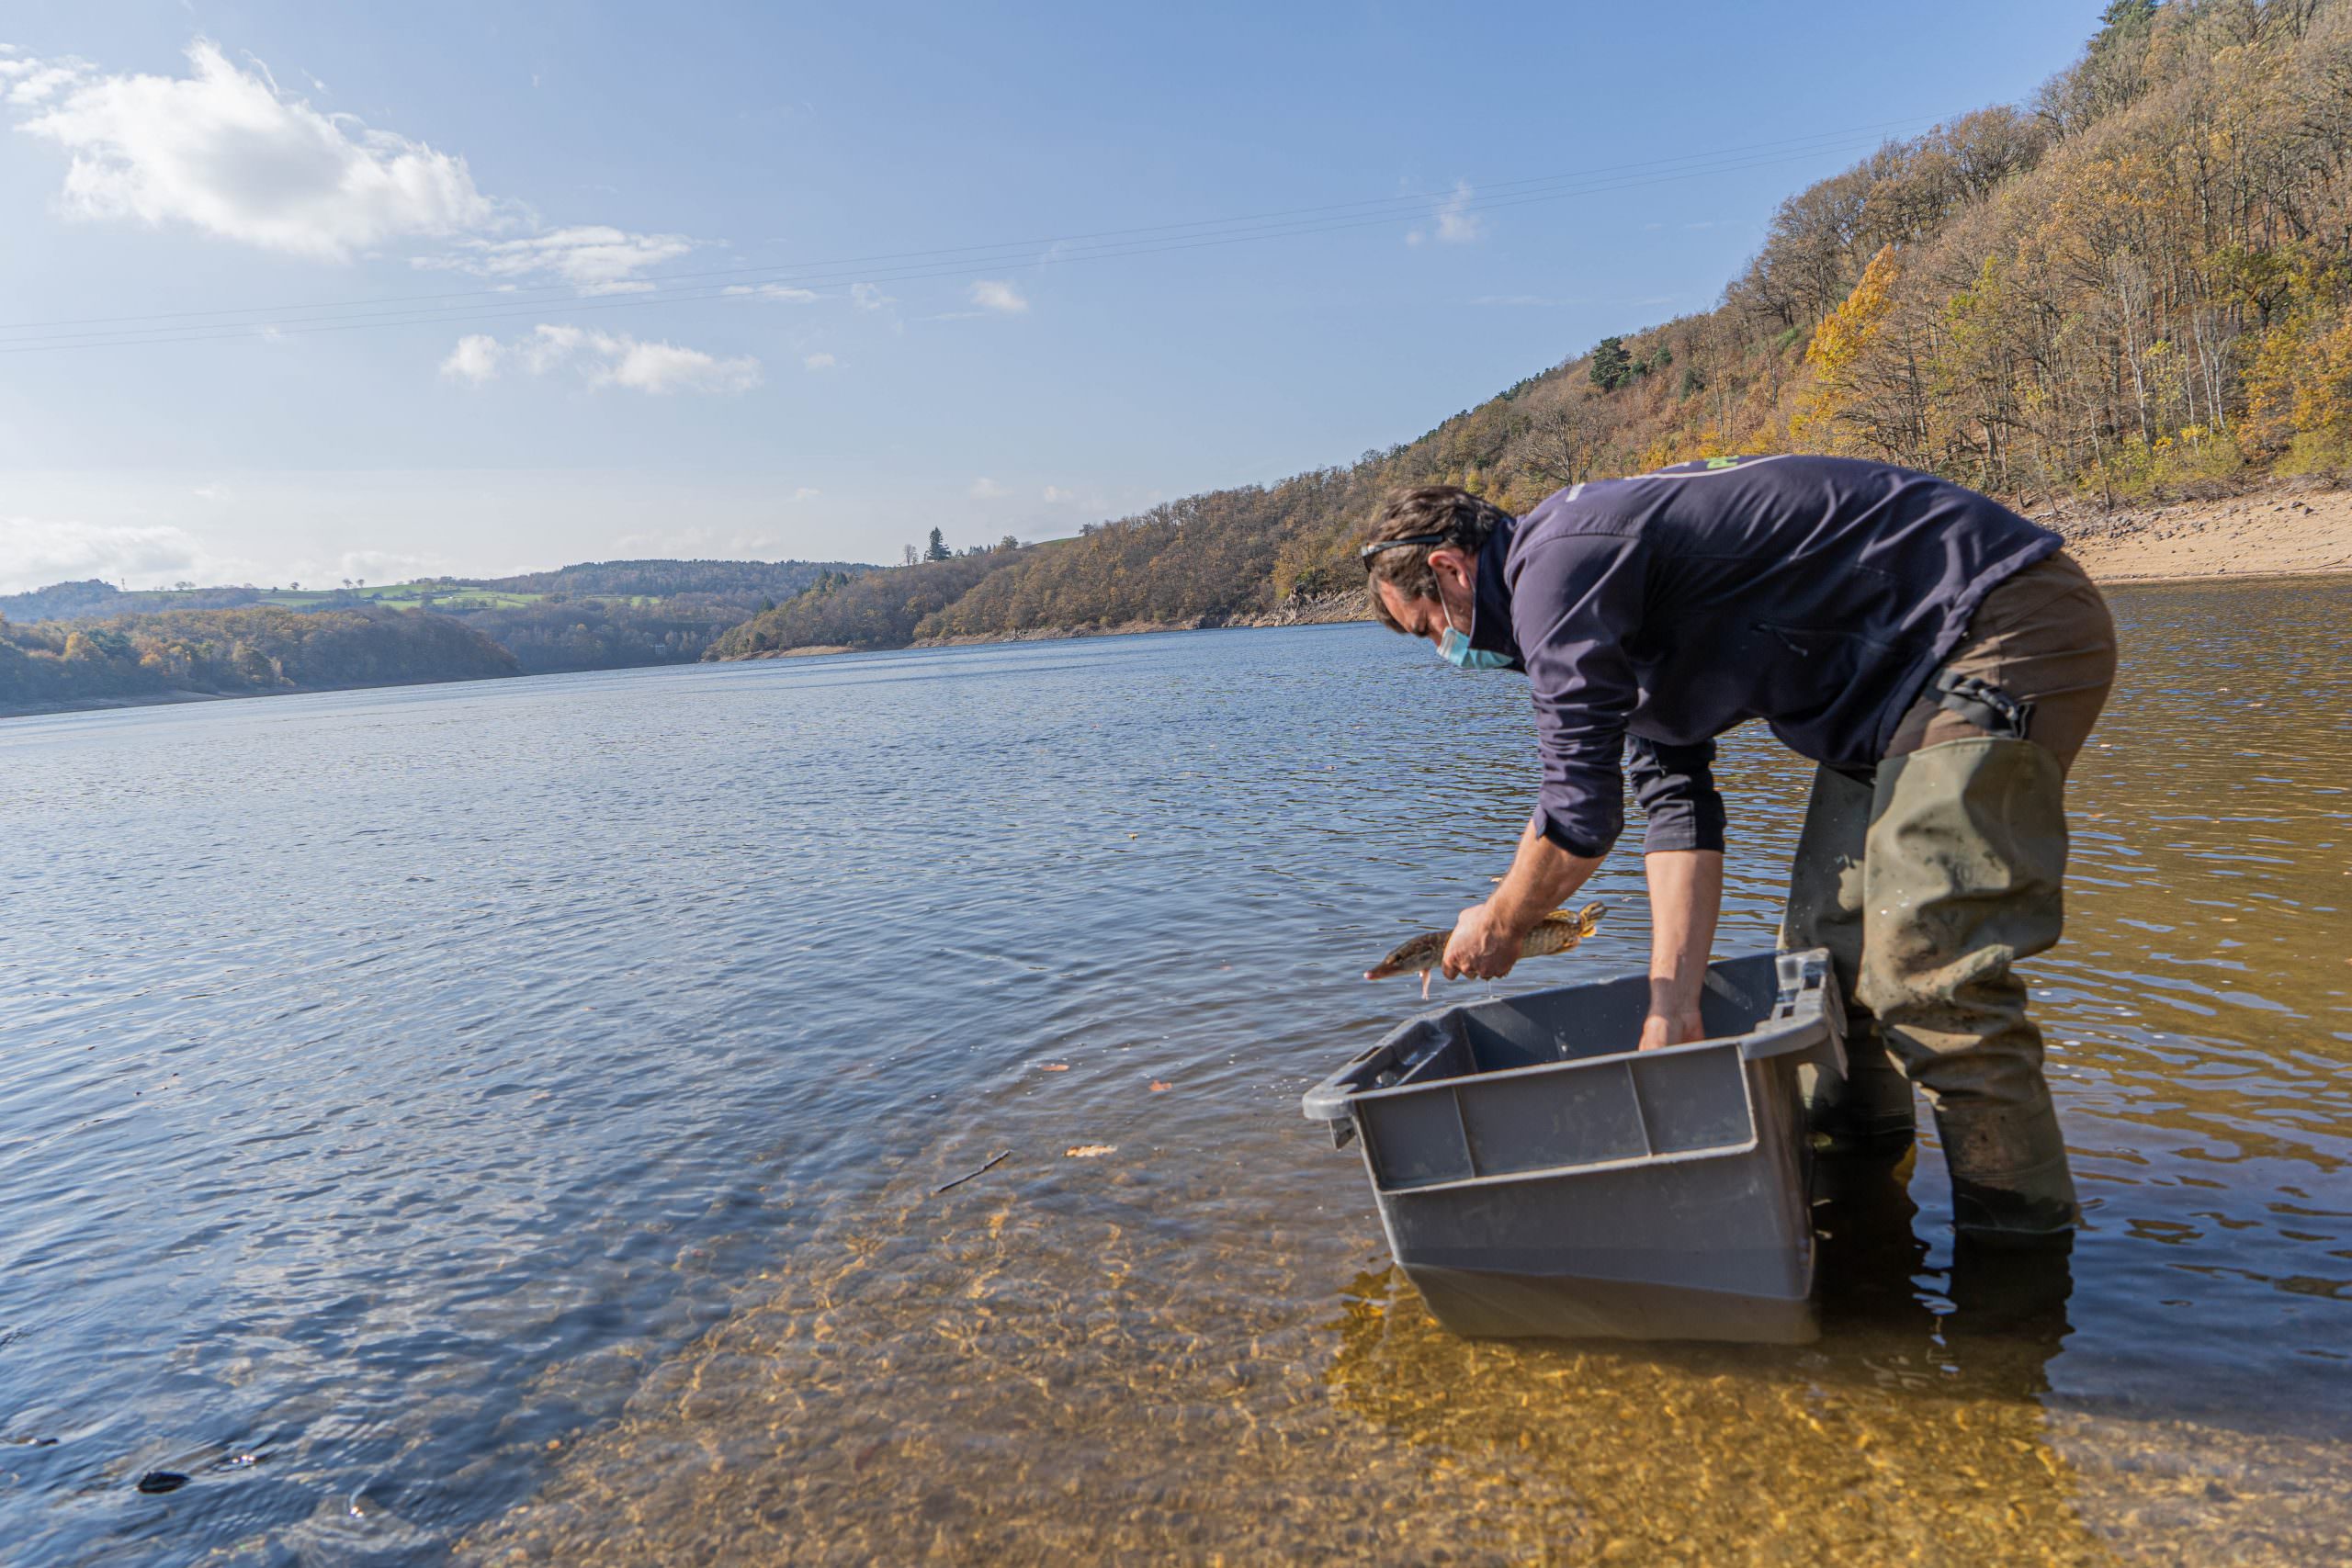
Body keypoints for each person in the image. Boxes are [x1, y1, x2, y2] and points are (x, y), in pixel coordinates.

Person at [1357, 455, 2116, 1248]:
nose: (1444, 648)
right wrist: (1672, 1003)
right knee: (1830, 959)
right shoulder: (1588, 603)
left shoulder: (1558, 562)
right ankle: (1855, 1213)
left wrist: (1504, 918)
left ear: (1447, 569)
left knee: (1926, 965)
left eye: (1430, 626)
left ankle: (2017, 1281)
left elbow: (1579, 814)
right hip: (1894, 700)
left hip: (1994, 625)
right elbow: (1674, 806)